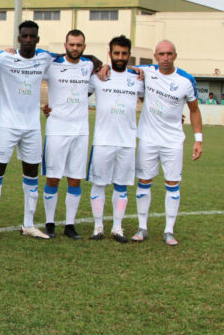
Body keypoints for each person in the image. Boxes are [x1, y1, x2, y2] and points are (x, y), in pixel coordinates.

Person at [0, 21, 52, 241]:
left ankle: (29, 224)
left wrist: (99, 62)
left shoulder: (44, 58)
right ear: (18, 38)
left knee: (32, 175)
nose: (29, 40)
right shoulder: (4, 57)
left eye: (33, 36)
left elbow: (69, 57)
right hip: (6, 124)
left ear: (38, 39)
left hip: (32, 127)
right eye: (25, 36)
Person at [133, 40, 203, 246]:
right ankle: (142, 227)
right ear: (155, 56)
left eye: (169, 54)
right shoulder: (146, 71)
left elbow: (194, 110)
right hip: (147, 137)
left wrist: (198, 139)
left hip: (173, 140)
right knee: (144, 181)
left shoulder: (186, 80)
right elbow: (123, 70)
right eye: (161, 54)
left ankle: (169, 230)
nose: (165, 58)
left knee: (172, 184)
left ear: (175, 56)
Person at [87, 35, 144, 243]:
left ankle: (117, 228)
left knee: (122, 185)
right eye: (116, 53)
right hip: (102, 140)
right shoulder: (97, 77)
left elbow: (154, 99)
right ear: (109, 54)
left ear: (129, 55)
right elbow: (74, 94)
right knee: (99, 184)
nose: (120, 57)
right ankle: (98, 227)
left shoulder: (138, 79)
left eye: (124, 53)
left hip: (128, 141)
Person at [42, 29, 95, 239]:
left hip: (81, 131)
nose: (75, 48)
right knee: (53, 178)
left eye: (79, 45)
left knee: (75, 179)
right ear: (65, 45)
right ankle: (49, 222)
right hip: (56, 129)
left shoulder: (89, 66)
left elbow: (91, 86)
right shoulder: (52, 65)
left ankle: (70, 224)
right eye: (71, 44)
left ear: (84, 46)